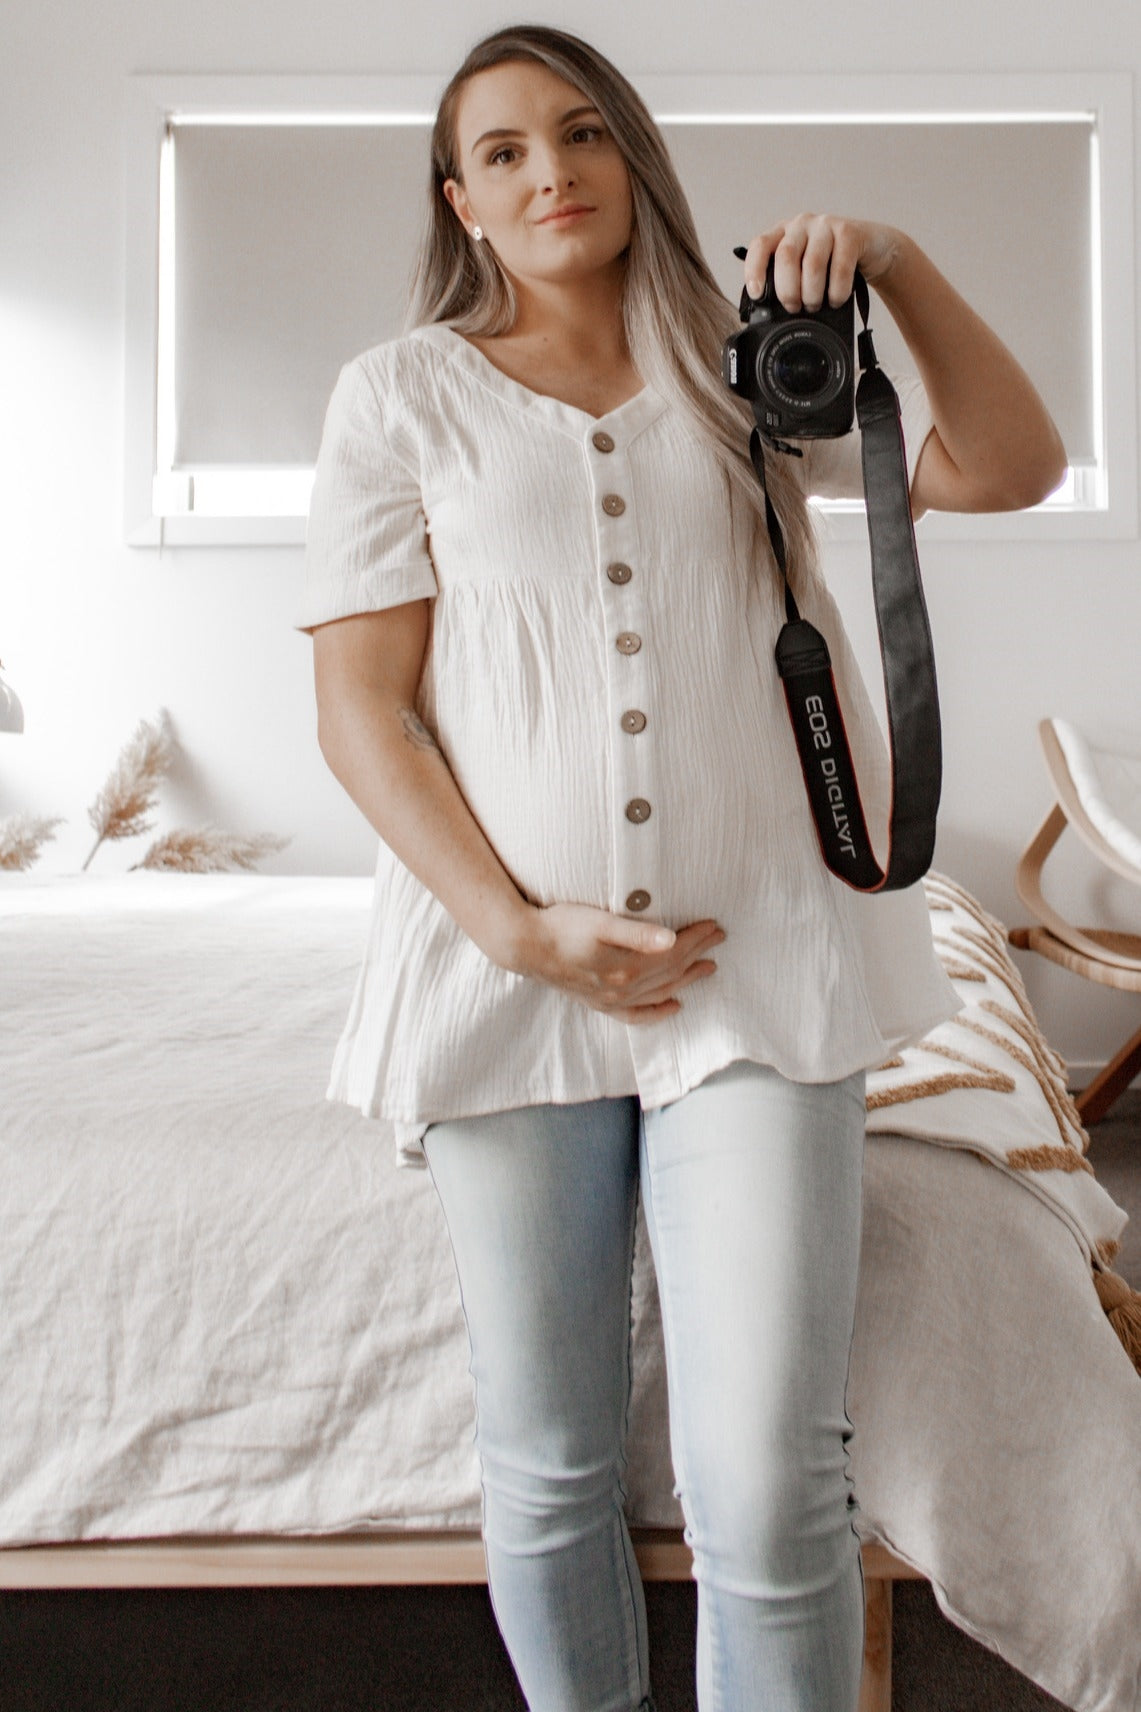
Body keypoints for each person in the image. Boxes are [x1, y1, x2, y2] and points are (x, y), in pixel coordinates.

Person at [299, 25, 1065, 1712]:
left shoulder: (754, 369)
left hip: (764, 967)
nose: (548, 172)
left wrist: (895, 265)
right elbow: (361, 713)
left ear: (632, 157)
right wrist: (515, 930)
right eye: (502, 152)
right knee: (547, 1461)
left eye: (579, 133)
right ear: (460, 201)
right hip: (503, 984)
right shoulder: (398, 396)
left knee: (770, 1482)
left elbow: (1011, 467)